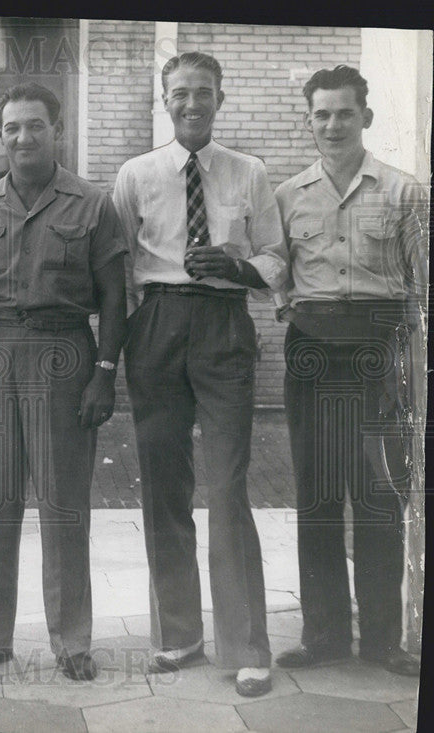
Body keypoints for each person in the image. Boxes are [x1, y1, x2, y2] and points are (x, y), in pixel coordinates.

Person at [112, 51, 288, 697]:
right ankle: (178, 633)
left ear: (221, 98)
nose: (192, 104)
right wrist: (130, 335)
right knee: (162, 482)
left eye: (204, 94)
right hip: (157, 324)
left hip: (222, 322)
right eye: (181, 94)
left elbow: (274, 257)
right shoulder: (135, 174)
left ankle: (246, 645)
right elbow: (116, 265)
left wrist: (235, 267)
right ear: (166, 100)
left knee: (228, 484)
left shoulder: (250, 172)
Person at [0, 83, 127, 682]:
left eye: (35, 126)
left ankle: (71, 639)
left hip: (64, 354)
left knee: (63, 505)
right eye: (12, 128)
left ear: (58, 131)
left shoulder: (92, 203)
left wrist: (105, 373)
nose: (24, 137)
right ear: (0, 135)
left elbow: (115, 297)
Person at [273, 65, 425, 678]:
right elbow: (278, 276)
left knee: (379, 492)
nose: (332, 124)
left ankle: (384, 639)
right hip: (312, 349)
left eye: (344, 112)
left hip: (378, 352)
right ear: (308, 120)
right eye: (321, 114)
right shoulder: (286, 195)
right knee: (316, 492)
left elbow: (424, 284)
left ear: (366, 116)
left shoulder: (404, 191)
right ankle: (325, 635)